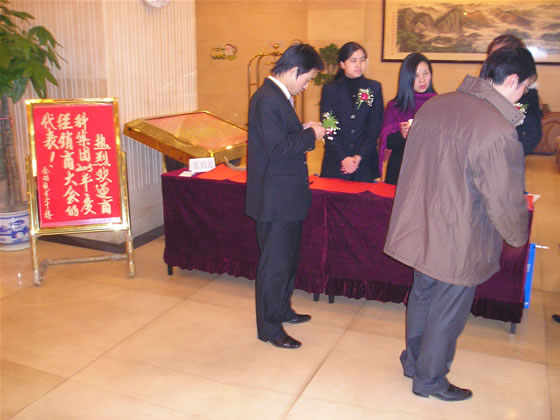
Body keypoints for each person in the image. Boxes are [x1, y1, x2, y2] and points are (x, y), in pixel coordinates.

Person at [384, 47, 535, 401]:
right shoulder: (497, 130)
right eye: (525, 87)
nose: (523, 95)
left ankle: (414, 361)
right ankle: (430, 379)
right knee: (448, 308)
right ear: (512, 80)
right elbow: (504, 199)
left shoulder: (437, 105)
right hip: (461, 233)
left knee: (423, 294)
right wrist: (517, 237)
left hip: (422, 222)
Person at [245, 44, 326, 350]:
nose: (306, 86)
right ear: (293, 71)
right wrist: (311, 135)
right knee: (275, 265)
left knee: (287, 260)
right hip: (274, 199)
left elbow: (279, 137)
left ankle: (282, 309)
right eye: (307, 79)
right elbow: (277, 148)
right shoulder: (267, 99)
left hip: (287, 196)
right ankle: (269, 328)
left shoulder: (279, 96)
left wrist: (301, 129)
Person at [319, 42, 383, 182]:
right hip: (336, 162)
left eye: (362, 60)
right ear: (342, 64)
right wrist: (343, 158)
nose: (358, 65)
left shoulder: (373, 88)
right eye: (353, 60)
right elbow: (329, 127)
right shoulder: (330, 90)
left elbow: (375, 127)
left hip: (364, 162)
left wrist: (359, 156)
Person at [379, 53, 436, 185]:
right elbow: (387, 142)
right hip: (399, 171)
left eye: (426, 73)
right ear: (407, 78)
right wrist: (402, 134)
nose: (422, 80)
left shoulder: (438, 103)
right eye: (416, 76)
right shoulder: (395, 106)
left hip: (429, 170)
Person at [487, 34, 543, 155]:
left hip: (504, 156)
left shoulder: (525, 92)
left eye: (499, 56)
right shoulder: (485, 86)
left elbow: (532, 135)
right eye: (491, 56)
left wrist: (510, 157)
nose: (492, 62)